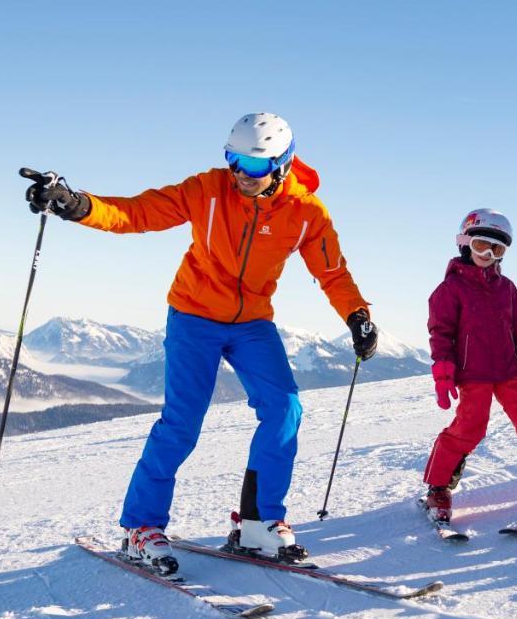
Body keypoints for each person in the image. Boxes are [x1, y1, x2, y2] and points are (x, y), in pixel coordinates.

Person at [23, 113, 378, 572]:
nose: (240, 175)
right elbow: (137, 212)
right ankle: (140, 528)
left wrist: (357, 315)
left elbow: (332, 272)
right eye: (233, 159)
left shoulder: (307, 213)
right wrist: (76, 204)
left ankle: (259, 522)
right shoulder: (208, 190)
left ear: (283, 164)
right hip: (193, 315)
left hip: (252, 323)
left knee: (285, 408)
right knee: (182, 422)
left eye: (253, 165)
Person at [422, 209, 517, 525]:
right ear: (466, 244)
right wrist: (443, 372)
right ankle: (438, 488)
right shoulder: (449, 290)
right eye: (482, 246)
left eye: (497, 250)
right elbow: (441, 334)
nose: (488, 255)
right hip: (472, 374)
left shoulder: (506, 288)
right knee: (469, 428)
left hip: (510, 370)